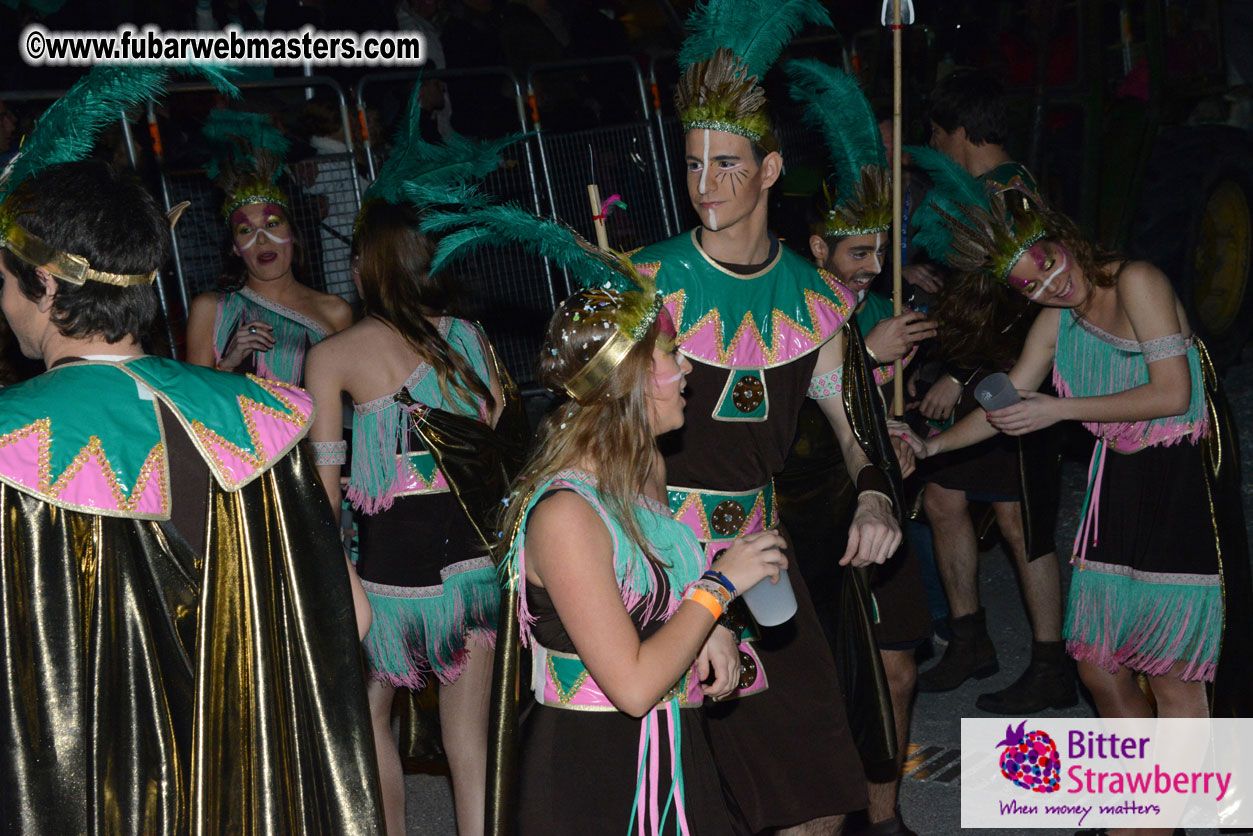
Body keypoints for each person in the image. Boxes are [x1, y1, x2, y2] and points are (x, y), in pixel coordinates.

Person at [0, 119, 380, 836]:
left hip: (106, 797)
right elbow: (350, 617)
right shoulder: (262, 420)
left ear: (45, 284)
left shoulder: (14, 439)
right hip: (251, 786)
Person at [630, 6, 904, 833]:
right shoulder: (645, 282)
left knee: (814, 793)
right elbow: (601, 442)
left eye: (726, 163)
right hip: (661, 556)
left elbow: (854, 426)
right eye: (691, 165)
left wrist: (872, 492)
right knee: (680, 798)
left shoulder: (818, 299)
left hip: (762, 558)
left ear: (770, 168)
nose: (704, 183)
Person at [901, 148, 1253, 733]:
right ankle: (1145, 799)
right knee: (1097, 667)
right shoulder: (1055, 320)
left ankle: (1154, 818)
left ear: (1061, 236)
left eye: (1047, 263)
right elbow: (1006, 404)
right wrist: (932, 448)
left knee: (1173, 677)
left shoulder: (1137, 281)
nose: (1048, 284)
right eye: (1030, 285)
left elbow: (1172, 392)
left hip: (1176, 489)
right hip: (1114, 491)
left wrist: (1058, 410)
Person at [783, 59, 933, 836]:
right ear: (817, 248)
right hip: (812, 516)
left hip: (881, 504)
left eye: (879, 252)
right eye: (855, 256)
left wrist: (897, 430)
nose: (872, 269)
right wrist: (867, 357)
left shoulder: (882, 303)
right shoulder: (790, 312)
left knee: (899, 670)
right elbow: (793, 413)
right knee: (824, 682)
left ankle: (884, 817)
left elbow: (868, 417)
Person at [911, 67, 1072, 715]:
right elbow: (975, 285)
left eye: (934, 133)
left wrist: (961, 374)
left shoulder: (1008, 197)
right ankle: (970, 636)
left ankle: (1049, 663)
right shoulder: (979, 187)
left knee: (1017, 519)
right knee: (944, 499)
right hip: (971, 367)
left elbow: (1027, 305)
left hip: (1005, 375)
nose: (930, 145)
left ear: (957, 131)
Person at [186, 110, 352, 385]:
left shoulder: (335, 312)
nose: (261, 239)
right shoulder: (211, 310)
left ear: (293, 234)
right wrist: (228, 362)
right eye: (246, 230)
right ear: (235, 248)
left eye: (272, 224)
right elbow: (191, 404)